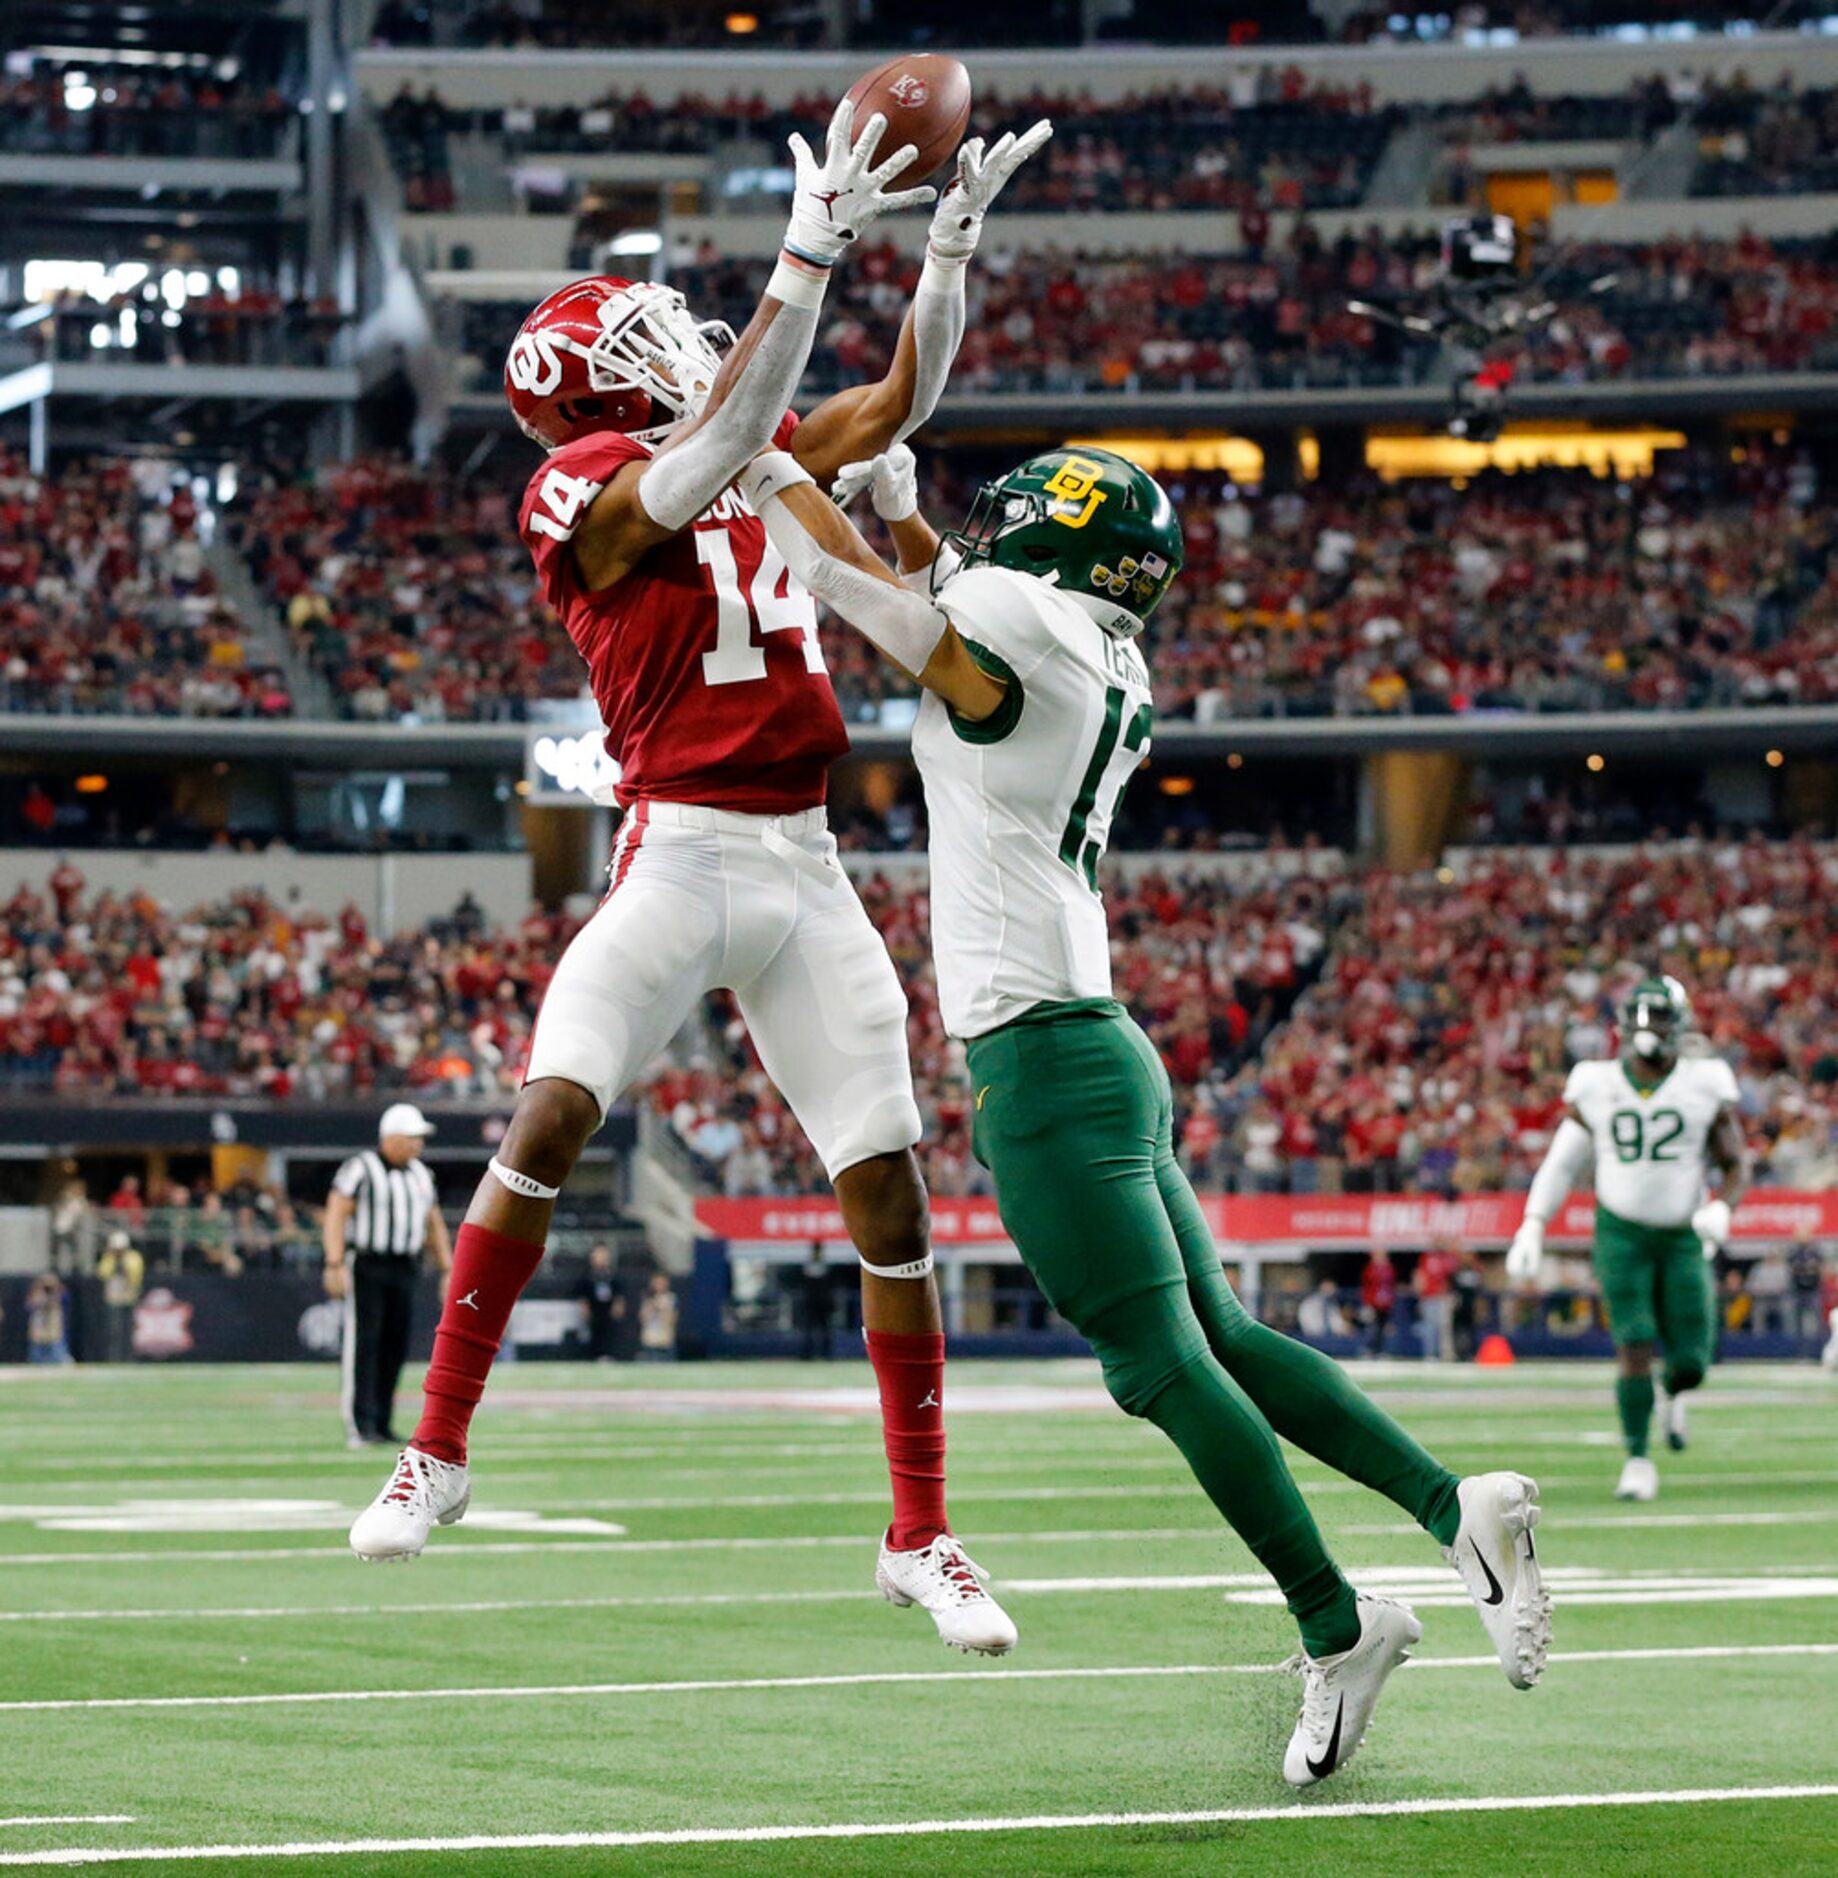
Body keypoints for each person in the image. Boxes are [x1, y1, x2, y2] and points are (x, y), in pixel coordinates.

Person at [736, 438, 1551, 1787]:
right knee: (1218, 1334)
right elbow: (961, 620)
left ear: (1051, 546)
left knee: (1160, 1365)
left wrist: (764, 467)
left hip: (1044, 1058)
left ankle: (1337, 1622)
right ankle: (1447, 1502)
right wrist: (912, 521)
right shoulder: (1100, 647)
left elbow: (878, 606)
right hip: (1099, 1036)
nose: (985, 540)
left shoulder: (1014, 621)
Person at [351, 104, 1050, 1660]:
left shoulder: (746, 442)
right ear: (592, 381)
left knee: (888, 1186)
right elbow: (718, 445)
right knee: (549, 1112)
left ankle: (921, 1532)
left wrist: (944, 250)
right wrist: (806, 257)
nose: (675, 337)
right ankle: (438, 1447)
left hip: (803, 859)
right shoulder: (580, 487)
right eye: (644, 331)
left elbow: (897, 399)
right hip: (676, 844)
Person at [1508, 975, 1750, 1501]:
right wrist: (1533, 1221)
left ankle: (1673, 1395)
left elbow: (1736, 1162)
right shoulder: (1597, 1083)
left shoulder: (1703, 1081)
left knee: (1691, 1362)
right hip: (1620, 1232)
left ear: (1678, 1025)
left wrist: (1722, 1208)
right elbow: (1562, 1161)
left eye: (1659, 1019)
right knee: (1634, 1342)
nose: (1648, 1031)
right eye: (1639, 1018)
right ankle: (1638, 1458)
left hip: (1682, 1235)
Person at [324, 1103, 453, 1449]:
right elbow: (336, 1212)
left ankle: (381, 1421)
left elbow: (434, 1223)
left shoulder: (422, 1175)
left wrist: (447, 1269)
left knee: (394, 1346)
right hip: (369, 1264)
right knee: (365, 1344)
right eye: (412, 1138)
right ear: (391, 1138)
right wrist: (334, 1262)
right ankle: (359, 1423)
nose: (418, 1145)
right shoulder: (361, 1168)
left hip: (406, 1266)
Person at [96, 1229, 144, 1363]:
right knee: (113, 1331)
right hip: (113, 1298)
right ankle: (113, 1358)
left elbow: (135, 1274)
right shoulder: (109, 1258)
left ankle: (128, 1358)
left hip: (129, 1296)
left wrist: (122, 1262)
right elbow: (102, 1273)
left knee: (128, 1330)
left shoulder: (133, 1257)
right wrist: (113, 1259)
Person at [576, 1244, 623, 1362]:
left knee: (609, 1332)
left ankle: (608, 1355)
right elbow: (583, 1295)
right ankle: (593, 1356)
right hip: (594, 1308)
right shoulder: (588, 1276)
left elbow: (618, 1293)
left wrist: (618, 1305)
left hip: (608, 1308)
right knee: (592, 1333)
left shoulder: (612, 1275)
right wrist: (584, 1307)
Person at [799, 1240, 836, 1359]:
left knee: (825, 1329)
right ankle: (807, 1353)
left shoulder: (825, 1266)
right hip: (811, 1303)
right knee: (809, 1330)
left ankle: (826, 1353)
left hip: (823, 1303)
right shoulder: (807, 1266)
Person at [26, 1273, 72, 1365]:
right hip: (38, 1336)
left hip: (54, 1336)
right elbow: (29, 1307)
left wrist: (56, 1288)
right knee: (36, 1364)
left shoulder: (59, 1294)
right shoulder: (36, 1295)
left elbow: (66, 1299)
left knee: (61, 1363)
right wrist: (39, 1292)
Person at [1360, 1248, 1397, 1358]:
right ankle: (1370, 1349)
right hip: (1373, 1302)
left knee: (1382, 1328)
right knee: (1373, 1328)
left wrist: (1391, 1300)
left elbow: (1391, 1285)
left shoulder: (1389, 1268)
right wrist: (1367, 1302)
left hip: (1385, 1303)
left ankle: (1380, 1350)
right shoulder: (1371, 1269)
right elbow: (1366, 1286)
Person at [637, 1272, 679, 1361]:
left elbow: (672, 1320)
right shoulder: (647, 1299)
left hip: (665, 1340)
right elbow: (643, 1318)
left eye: (661, 1282)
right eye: (656, 1283)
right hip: (650, 1340)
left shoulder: (671, 1298)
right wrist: (651, 1306)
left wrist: (662, 1308)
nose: (659, 1285)